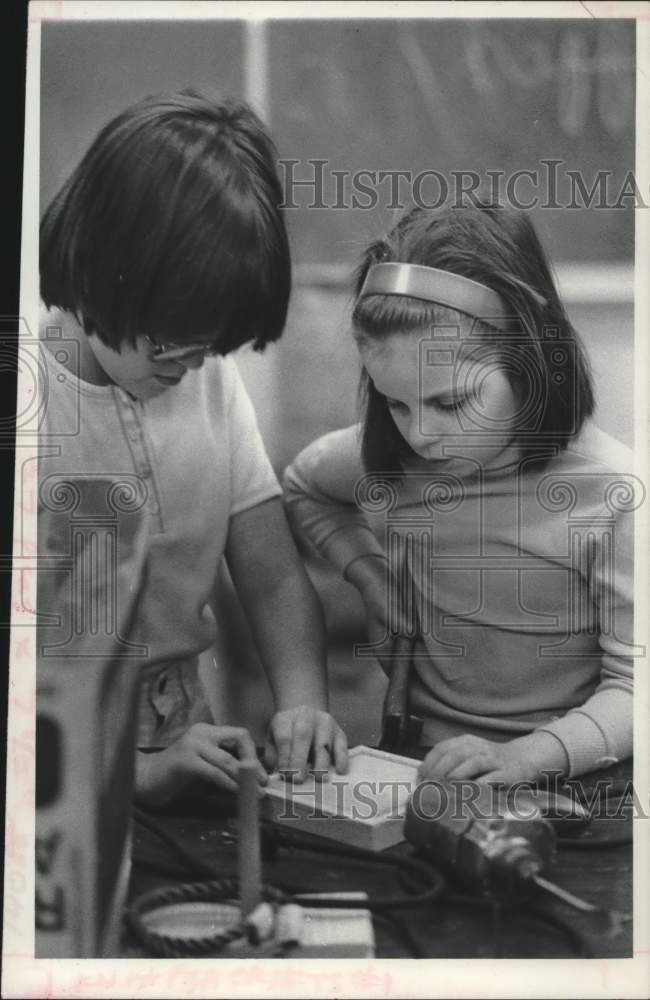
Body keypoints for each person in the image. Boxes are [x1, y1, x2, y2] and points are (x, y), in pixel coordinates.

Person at [37, 90, 348, 808]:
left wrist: (302, 701)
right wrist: (136, 774)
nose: (189, 365)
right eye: (170, 341)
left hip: (185, 734)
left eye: (209, 345)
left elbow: (272, 580)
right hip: (54, 782)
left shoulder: (208, 382)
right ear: (99, 268)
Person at [284, 201, 637, 785]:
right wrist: (369, 572)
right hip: (422, 777)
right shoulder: (395, 458)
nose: (422, 435)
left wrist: (525, 758)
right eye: (396, 403)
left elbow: (636, 690)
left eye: (451, 403)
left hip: (573, 791)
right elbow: (304, 488)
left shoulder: (616, 495)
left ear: (530, 362)